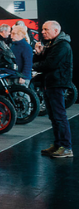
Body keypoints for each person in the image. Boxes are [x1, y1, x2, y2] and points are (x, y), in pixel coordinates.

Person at [35, 21, 73, 158]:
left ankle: (66, 147)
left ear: (56, 31)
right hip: (51, 83)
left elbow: (50, 64)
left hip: (57, 83)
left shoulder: (62, 45)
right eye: (42, 29)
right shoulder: (53, 44)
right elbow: (46, 61)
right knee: (54, 116)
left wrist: (33, 66)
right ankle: (58, 144)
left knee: (59, 116)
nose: (42, 32)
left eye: (46, 29)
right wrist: (39, 53)